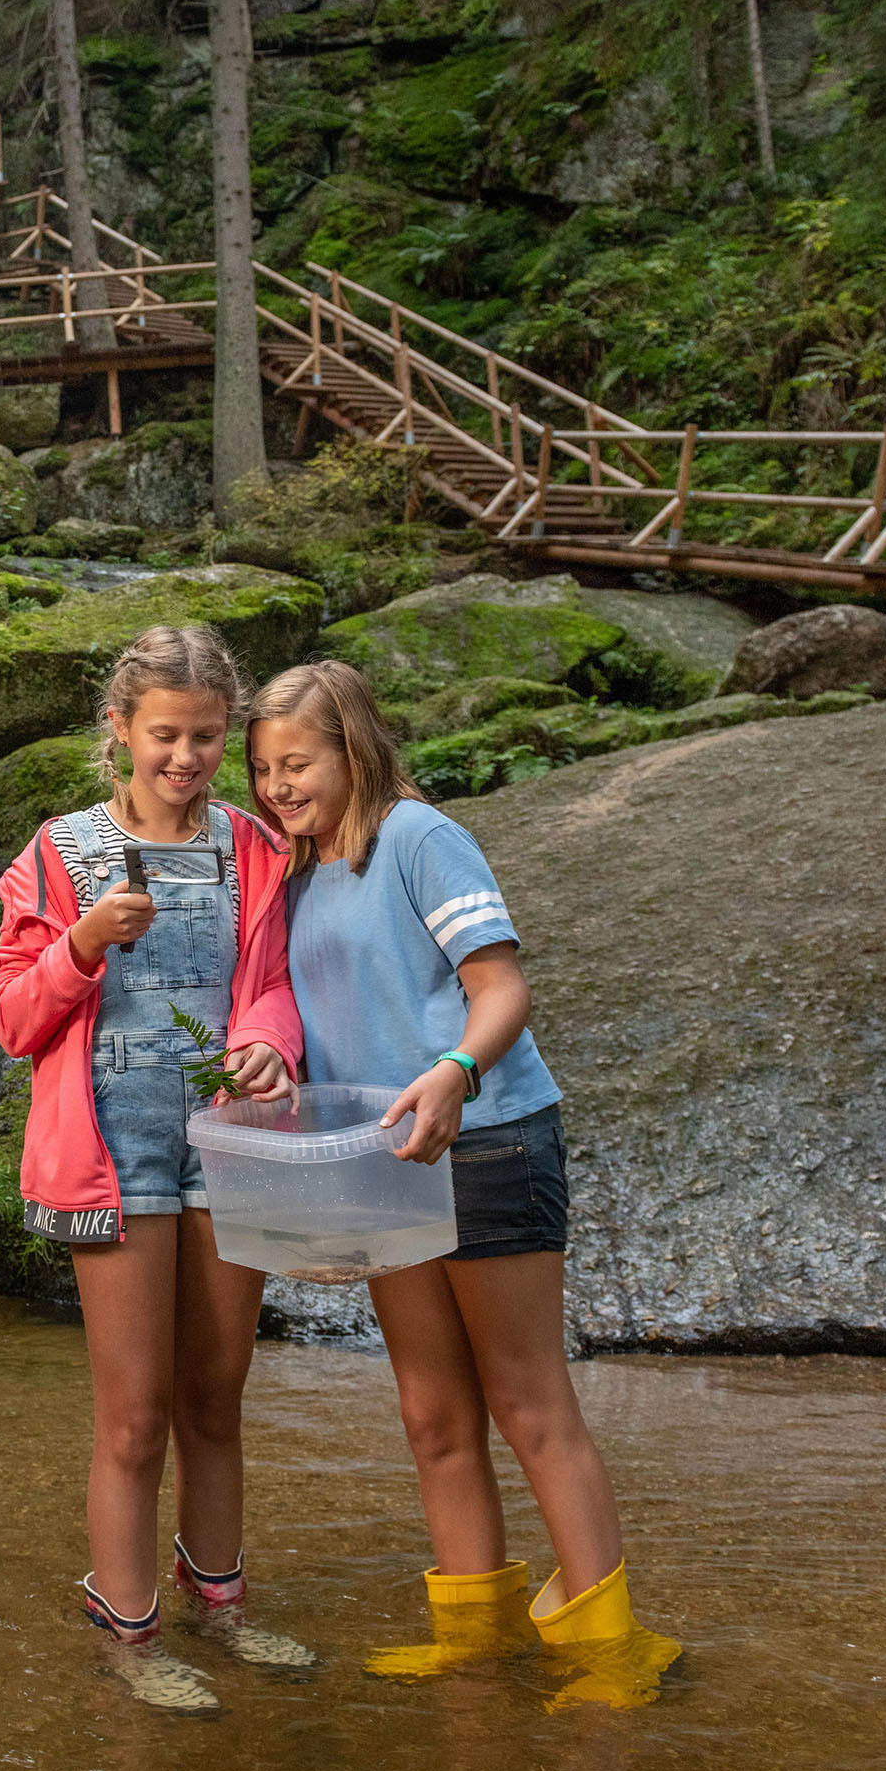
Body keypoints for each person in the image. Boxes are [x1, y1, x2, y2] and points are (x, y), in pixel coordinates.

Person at [245, 659, 680, 1711]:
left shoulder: (420, 839)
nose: (275, 787)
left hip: (485, 1138)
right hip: (387, 1160)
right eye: (261, 769)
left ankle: (610, 1648)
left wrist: (453, 1072)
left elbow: (501, 988)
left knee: (528, 1399)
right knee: (431, 1410)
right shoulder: (297, 873)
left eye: (295, 763)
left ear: (352, 748)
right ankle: (476, 1641)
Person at [0, 624, 310, 1714]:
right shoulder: (58, 851)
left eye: (207, 737)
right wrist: (77, 944)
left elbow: (270, 985)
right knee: (133, 1416)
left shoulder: (254, 845)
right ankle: (125, 1628)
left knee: (215, 1396)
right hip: (112, 1156)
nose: (186, 757)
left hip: (226, 1144)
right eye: (165, 735)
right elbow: (12, 1021)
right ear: (117, 728)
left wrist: (271, 1042)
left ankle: (218, 1604)